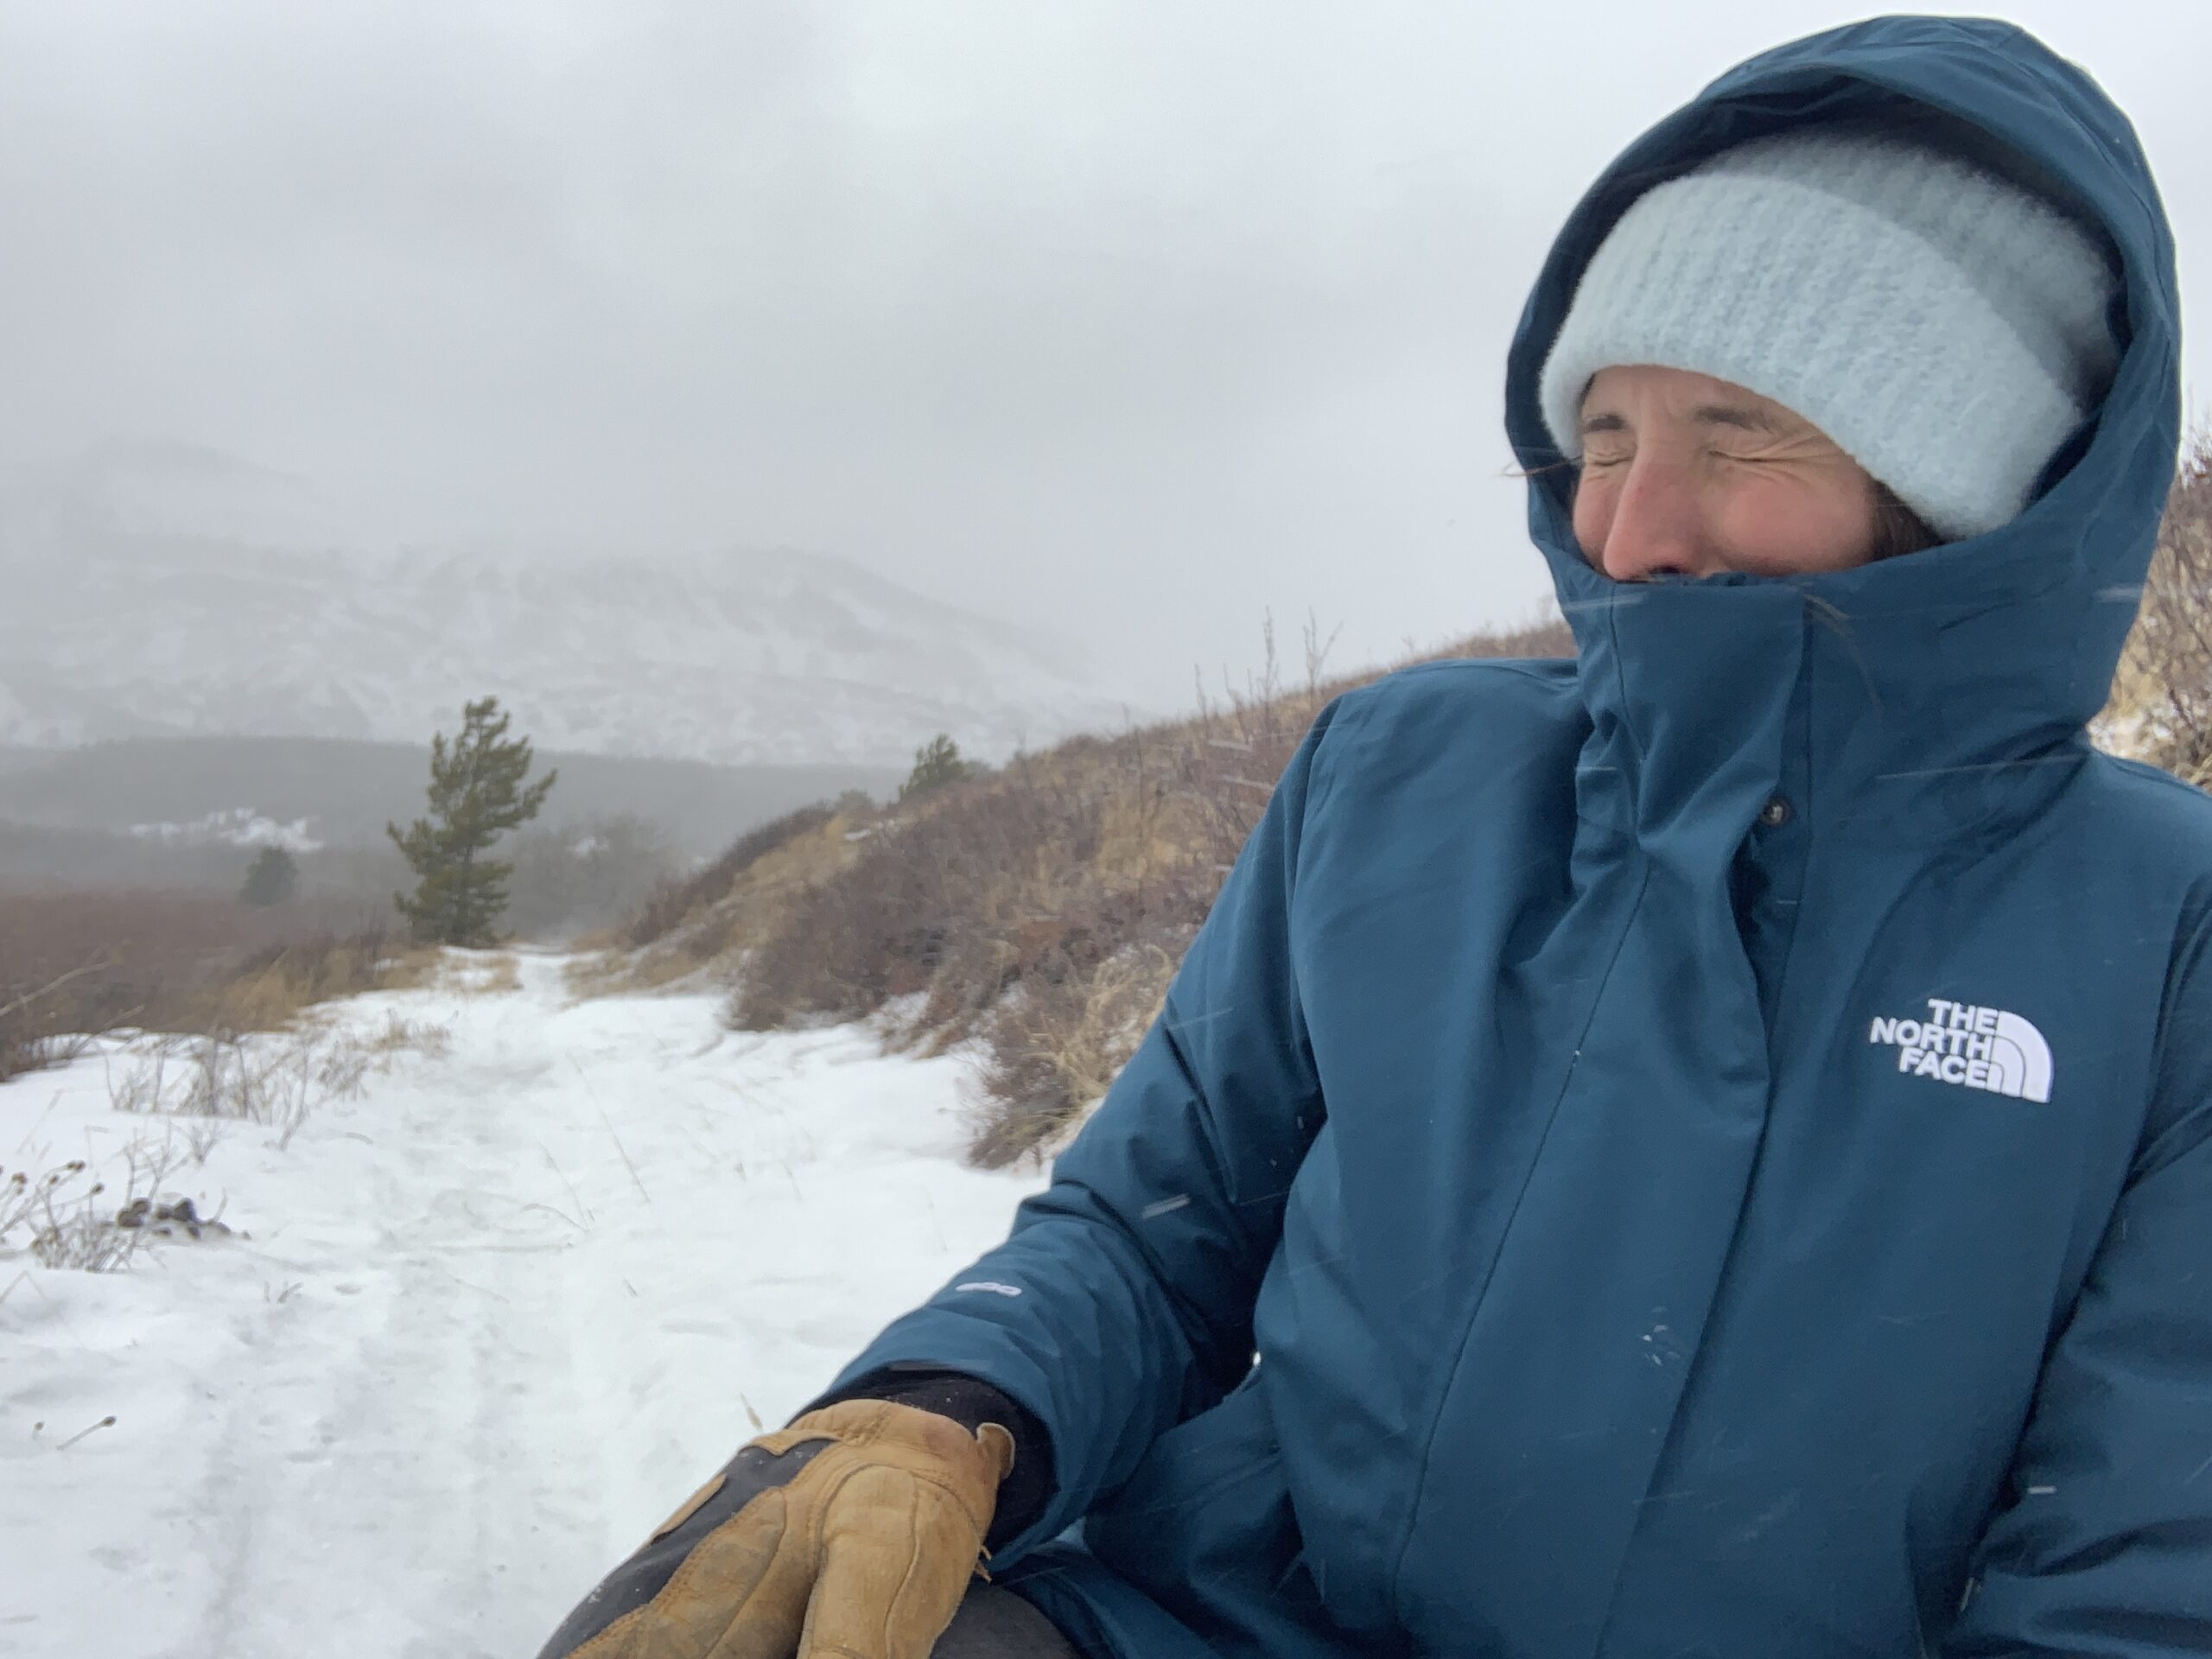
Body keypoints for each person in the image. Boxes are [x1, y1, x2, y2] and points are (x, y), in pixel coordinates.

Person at [538, 15, 2207, 1658]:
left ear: (1979, 485)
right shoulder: (1404, 774)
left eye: (1737, 439)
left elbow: (2137, 1578)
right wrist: (944, 1405)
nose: (1626, 531)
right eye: (1602, 439)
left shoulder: (2161, 933)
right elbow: (1151, 1229)